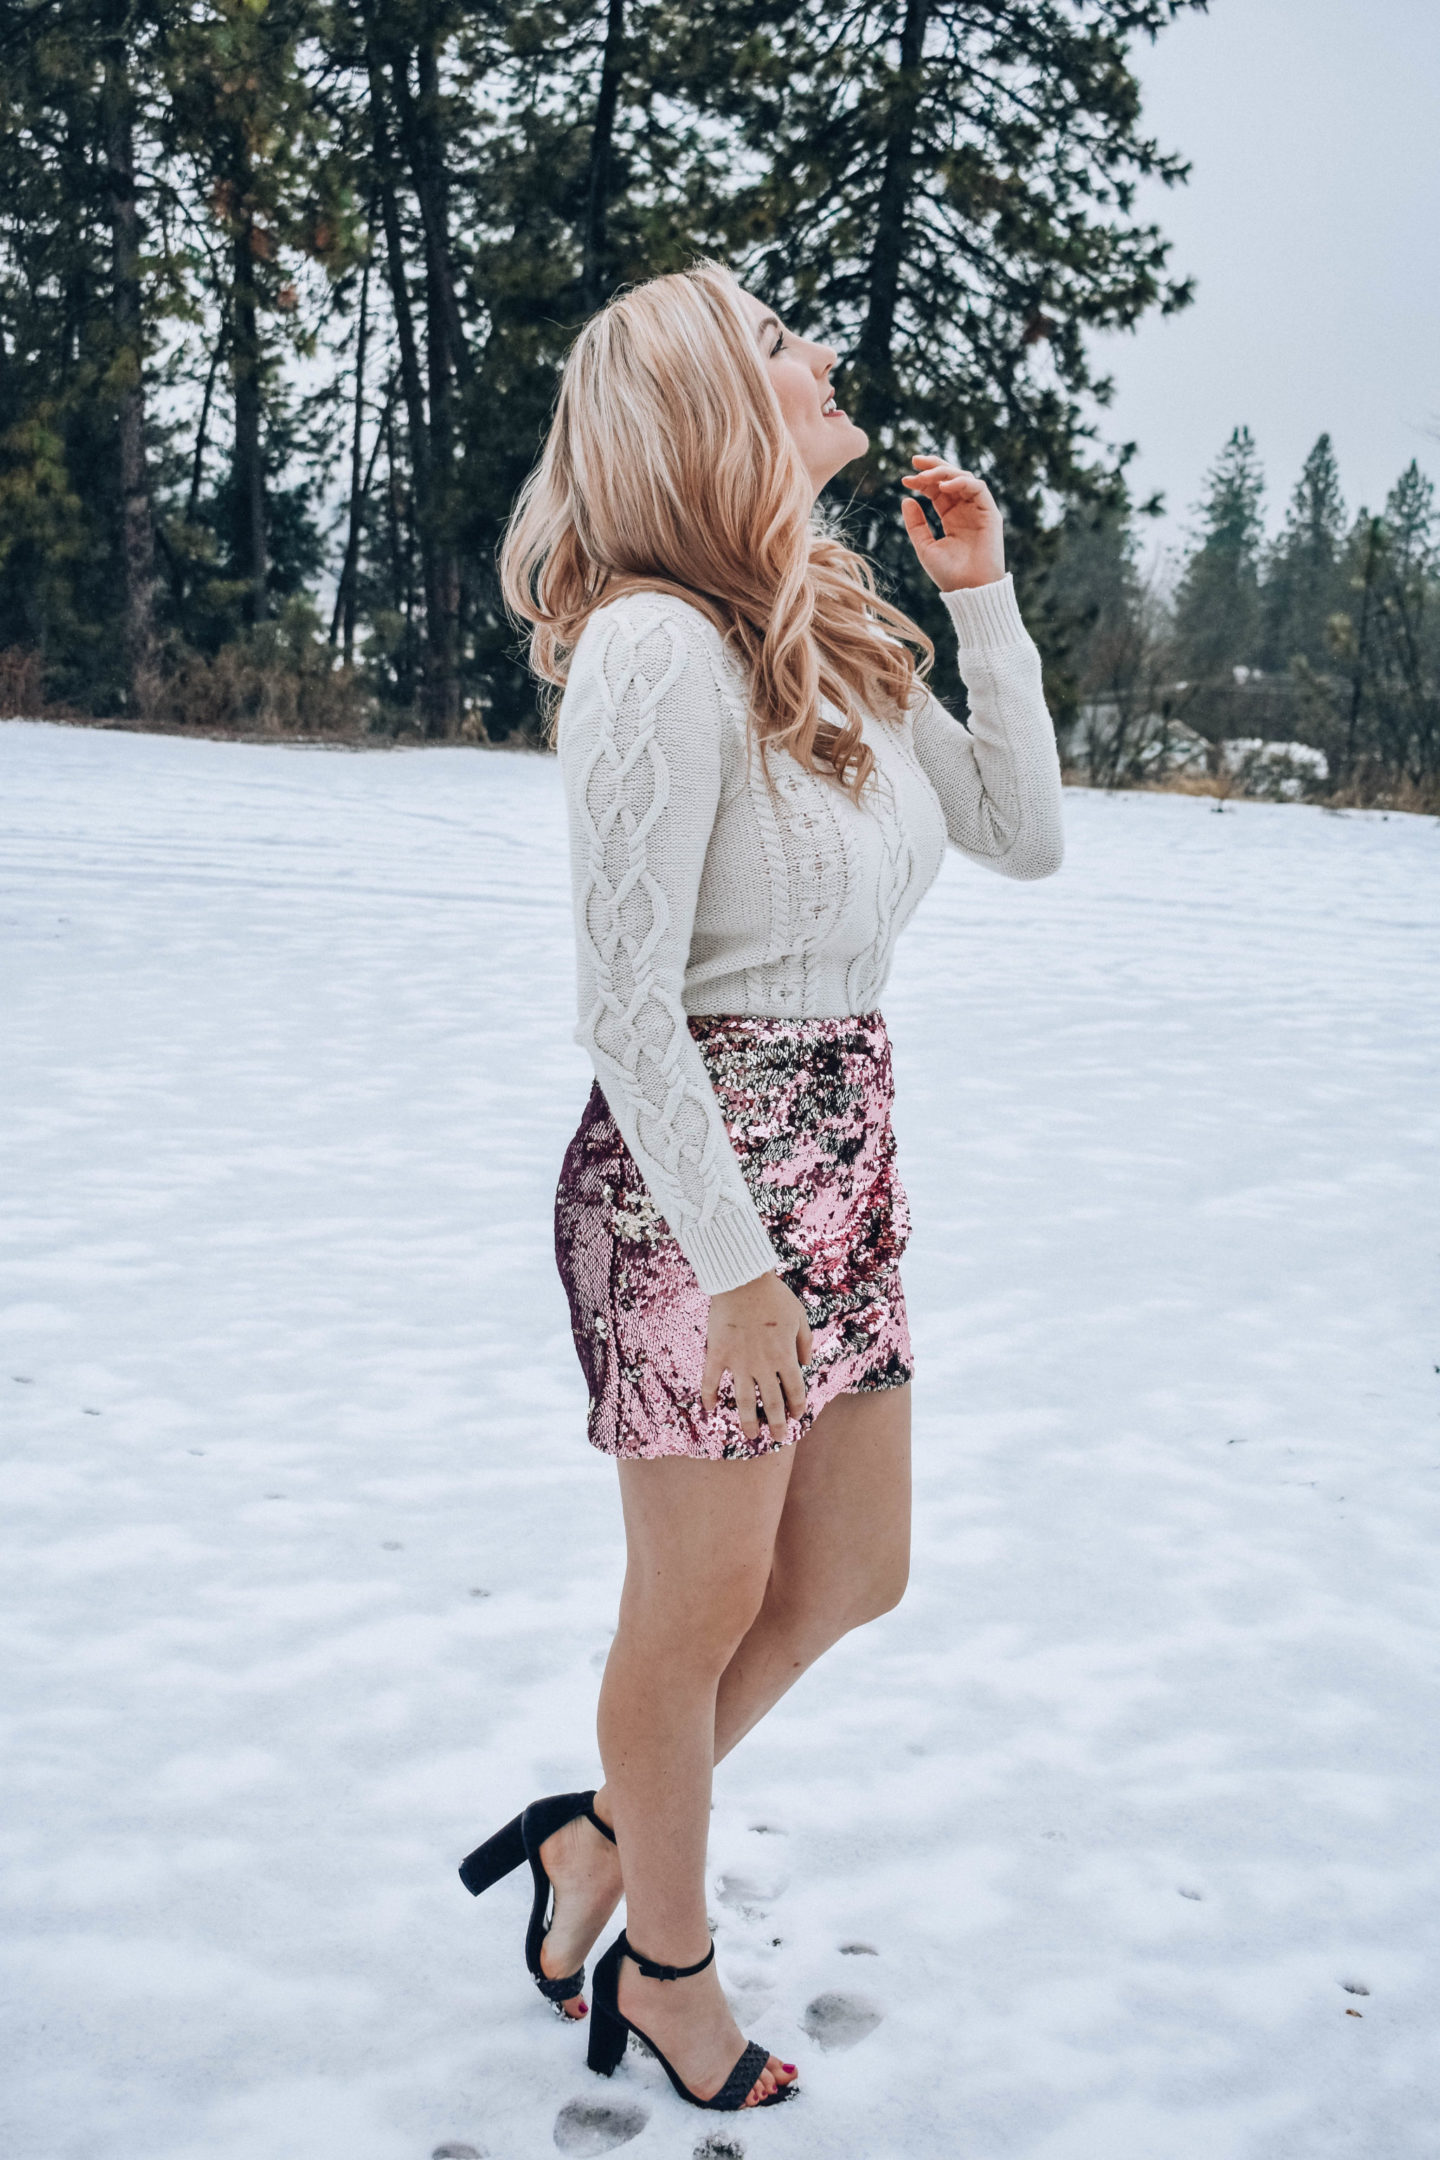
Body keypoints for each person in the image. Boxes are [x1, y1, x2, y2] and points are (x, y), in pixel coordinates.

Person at [458, 259, 1064, 2115]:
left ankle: (597, 1839)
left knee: (854, 1572)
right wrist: (733, 1264)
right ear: (711, 409)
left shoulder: (834, 629)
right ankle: (666, 1959)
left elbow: (1026, 836)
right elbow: (623, 1008)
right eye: (779, 345)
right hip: (695, 1174)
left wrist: (984, 606)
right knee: (694, 1610)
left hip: (850, 1147)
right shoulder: (653, 647)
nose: (818, 359)